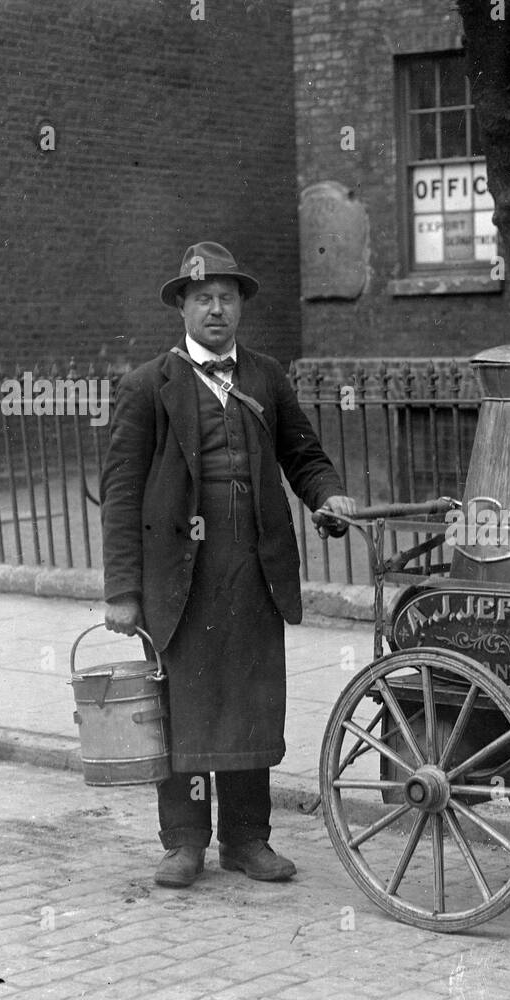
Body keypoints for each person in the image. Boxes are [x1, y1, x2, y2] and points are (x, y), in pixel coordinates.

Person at [101, 241, 355, 888]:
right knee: (182, 710)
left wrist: (329, 495)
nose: (216, 309)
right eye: (203, 298)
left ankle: (247, 840)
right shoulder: (146, 387)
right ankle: (184, 842)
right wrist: (123, 592)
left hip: (253, 569)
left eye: (226, 297)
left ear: (241, 306)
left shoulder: (266, 377)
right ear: (182, 308)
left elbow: (304, 456)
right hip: (179, 578)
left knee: (250, 703)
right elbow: (122, 495)